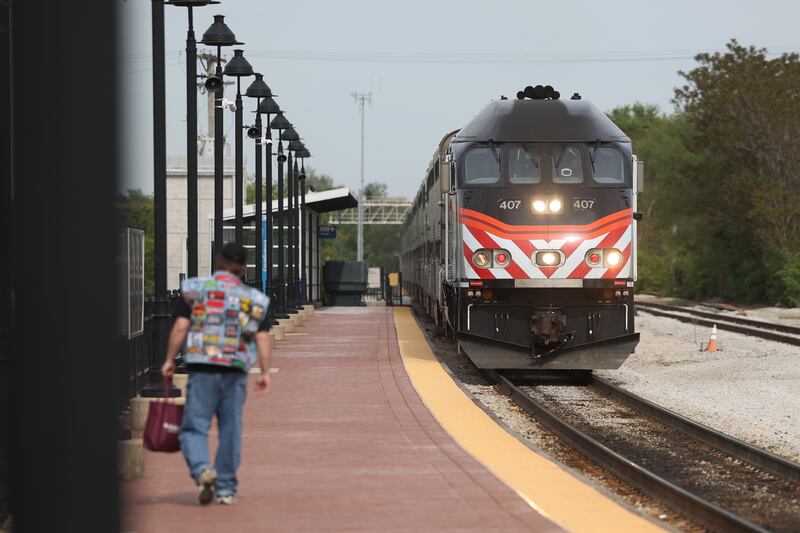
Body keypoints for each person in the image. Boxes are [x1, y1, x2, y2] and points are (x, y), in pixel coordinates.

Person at [161, 243, 272, 505]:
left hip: (202, 366)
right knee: (231, 428)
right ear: (243, 269)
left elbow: (180, 327)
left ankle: (202, 469)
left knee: (193, 427)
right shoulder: (255, 299)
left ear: (217, 261)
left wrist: (168, 359)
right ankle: (225, 489)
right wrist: (265, 372)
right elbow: (263, 338)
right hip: (235, 368)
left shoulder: (195, 290)